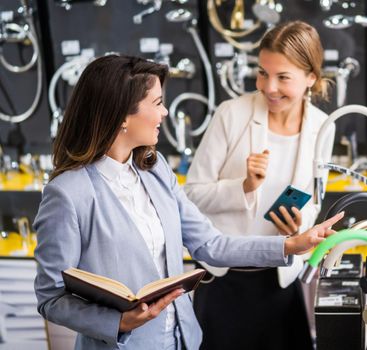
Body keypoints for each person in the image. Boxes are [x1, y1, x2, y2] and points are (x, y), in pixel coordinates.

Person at [32, 55, 342, 350]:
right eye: (157, 103)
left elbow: (211, 245)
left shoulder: (155, 169)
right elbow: (51, 298)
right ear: (122, 115)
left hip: (184, 339)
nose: (165, 112)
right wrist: (118, 322)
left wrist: (289, 245)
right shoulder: (68, 194)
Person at [184, 21, 335, 349]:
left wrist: (301, 222)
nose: (269, 87)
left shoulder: (323, 127)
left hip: (280, 282)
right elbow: (191, 195)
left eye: (283, 77)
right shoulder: (231, 115)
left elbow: (314, 199)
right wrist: (245, 186)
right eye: (263, 73)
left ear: (311, 78)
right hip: (224, 281)